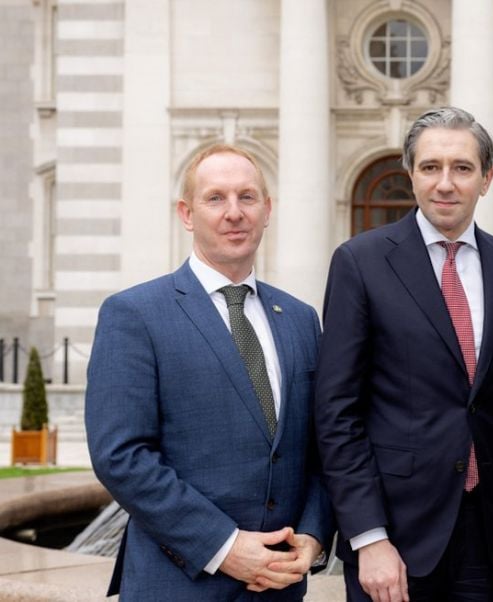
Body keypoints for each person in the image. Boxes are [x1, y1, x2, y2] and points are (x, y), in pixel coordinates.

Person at [313, 106, 493, 602]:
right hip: (397, 541)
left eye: (462, 168)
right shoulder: (359, 263)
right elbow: (337, 413)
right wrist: (368, 537)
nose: (445, 183)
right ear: (411, 175)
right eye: (431, 167)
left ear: (486, 179)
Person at [85, 144, 334, 600]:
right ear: (187, 213)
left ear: (267, 210)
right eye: (215, 198)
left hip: (280, 586)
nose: (234, 213)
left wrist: (314, 537)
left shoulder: (300, 318)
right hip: (178, 584)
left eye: (247, 197)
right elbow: (121, 455)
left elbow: (321, 447)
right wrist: (225, 546)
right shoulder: (135, 314)